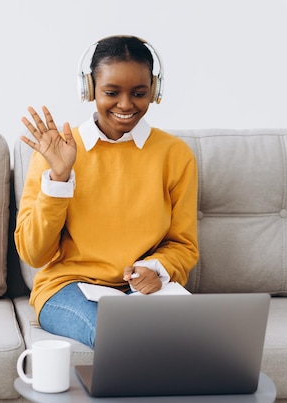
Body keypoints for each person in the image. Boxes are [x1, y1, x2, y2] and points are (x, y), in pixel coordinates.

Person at [14, 35, 199, 348]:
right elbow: (34, 253)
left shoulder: (175, 155)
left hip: (140, 290)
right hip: (68, 287)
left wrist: (157, 269)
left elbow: (183, 245)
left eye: (139, 93)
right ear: (89, 89)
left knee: (200, 337)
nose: (126, 105)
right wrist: (59, 177)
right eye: (112, 92)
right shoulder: (57, 151)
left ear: (154, 91)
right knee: (117, 336)